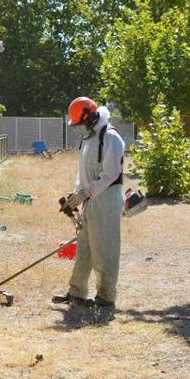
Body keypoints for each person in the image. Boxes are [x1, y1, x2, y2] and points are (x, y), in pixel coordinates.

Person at [53, 97, 126, 309]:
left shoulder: (111, 137)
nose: (80, 127)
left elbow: (110, 174)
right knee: (84, 247)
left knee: (104, 249)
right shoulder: (89, 138)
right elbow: (83, 172)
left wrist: (86, 193)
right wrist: (76, 194)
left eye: (82, 123)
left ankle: (106, 297)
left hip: (107, 199)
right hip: (90, 199)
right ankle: (76, 293)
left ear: (91, 117)